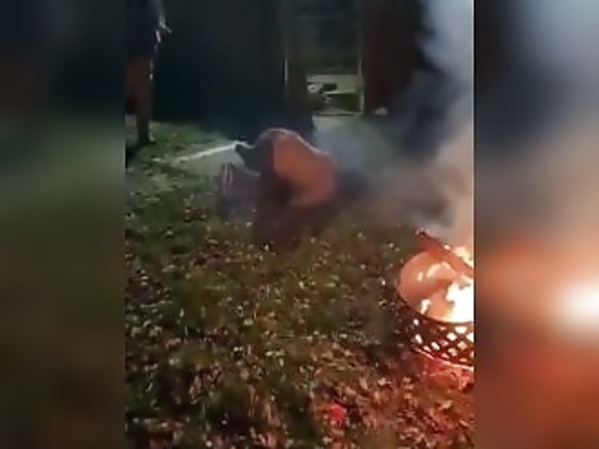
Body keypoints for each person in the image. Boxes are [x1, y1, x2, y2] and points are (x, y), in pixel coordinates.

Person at [125, 0, 170, 149]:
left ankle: (144, 134)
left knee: (143, 90)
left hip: (144, 43)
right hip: (130, 43)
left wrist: (160, 25)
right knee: (131, 85)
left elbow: (156, 10)